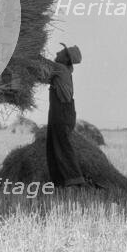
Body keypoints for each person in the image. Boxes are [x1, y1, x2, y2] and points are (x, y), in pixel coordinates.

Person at [38, 43, 86, 188]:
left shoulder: (60, 68)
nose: (58, 52)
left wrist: (30, 47)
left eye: (62, 52)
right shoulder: (62, 71)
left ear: (66, 58)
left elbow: (42, 62)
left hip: (61, 114)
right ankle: (61, 183)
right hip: (61, 113)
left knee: (62, 147)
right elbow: (42, 76)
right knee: (53, 146)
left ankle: (76, 181)